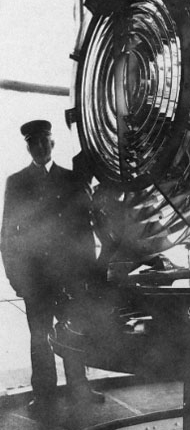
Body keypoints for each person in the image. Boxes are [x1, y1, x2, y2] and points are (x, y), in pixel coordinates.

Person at [0, 120, 104, 412]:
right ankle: (44, 395)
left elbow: (84, 228)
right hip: (36, 279)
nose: (41, 147)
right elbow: (8, 234)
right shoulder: (16, 182)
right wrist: (15, 278)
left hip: (69, 276)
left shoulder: (71, 179)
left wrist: (88, 271)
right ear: (29, 147)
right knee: (40, 338)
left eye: (45, 141)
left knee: (74, 335)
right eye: (35, 143)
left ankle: (79, 389)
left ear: (53, 144)